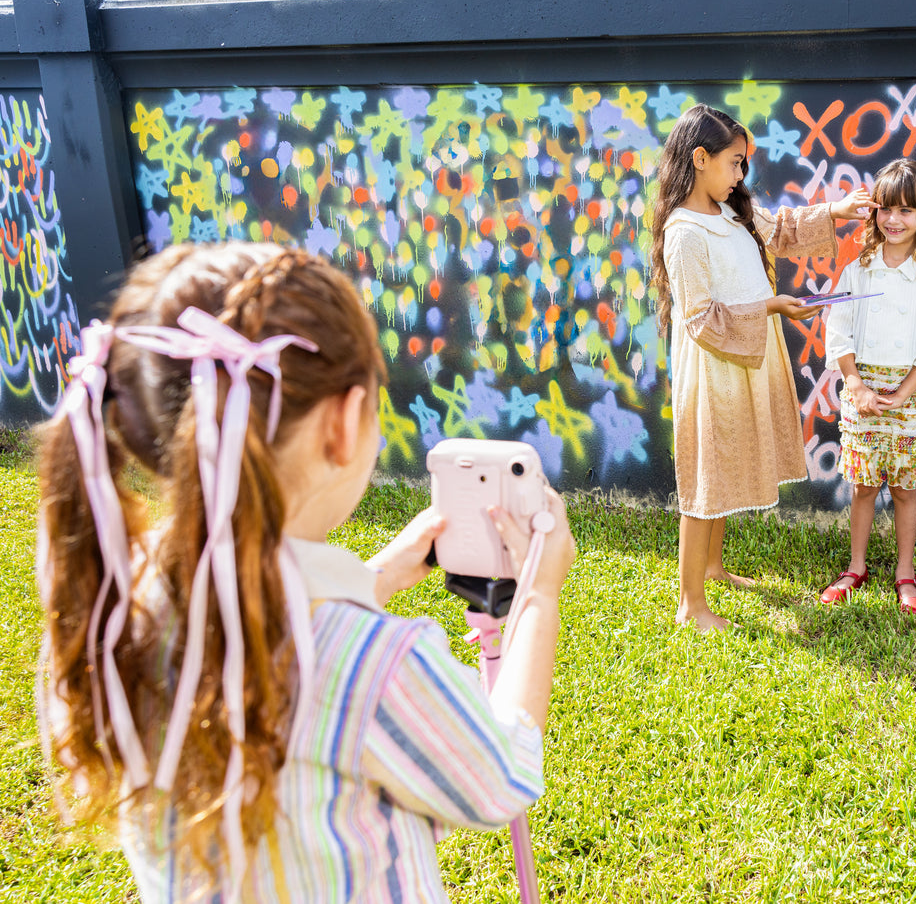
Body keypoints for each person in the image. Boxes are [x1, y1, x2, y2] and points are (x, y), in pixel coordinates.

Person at [34, 243, 576, 901]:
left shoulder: (120, 610)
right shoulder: (377, 664)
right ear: (345, 424)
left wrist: (376, 576)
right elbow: (498, 780)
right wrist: (539, 597)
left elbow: (269, 637)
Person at [648, 104, 875, 632]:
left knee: (724, 466)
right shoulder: (684, 233)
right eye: (734, 163)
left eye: (743, 164)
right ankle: (691, 603)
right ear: (699, 159)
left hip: (746, 357)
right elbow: (701, 319)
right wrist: (771, 307)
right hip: (713, 369)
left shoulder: (730, 211)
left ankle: (714, 568)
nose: (740, 175)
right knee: (707, 477)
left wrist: (838, 211)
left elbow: (782, 229)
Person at [819, 158, 916, 614]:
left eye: (907, 211)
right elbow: (838, 329)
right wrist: (854, 384)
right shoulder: (858, 270)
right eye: (886, 209)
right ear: (874, 212)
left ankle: (904, 572)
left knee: (904, 487)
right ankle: (856, 566)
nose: (894, 220)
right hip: (862, 390)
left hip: (910, 396)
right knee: (862, 485)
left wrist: (905, 391)